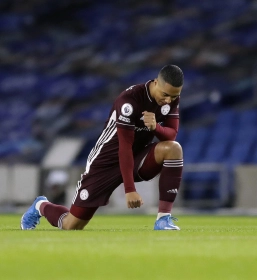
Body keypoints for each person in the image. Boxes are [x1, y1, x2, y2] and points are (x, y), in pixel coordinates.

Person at [21, 65, 184, 231]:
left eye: (174, 96)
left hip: (137, 158)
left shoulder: (170, 98)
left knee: (173, 148)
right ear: (156, 83)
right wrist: (130, 190)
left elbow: (170, 135)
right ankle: (41, 205)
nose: (168, 100)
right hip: (106, 162)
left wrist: (155, 127)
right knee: (71, 225)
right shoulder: (130, 100)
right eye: (165, 95)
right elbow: (124, 146)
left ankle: (163, 220)